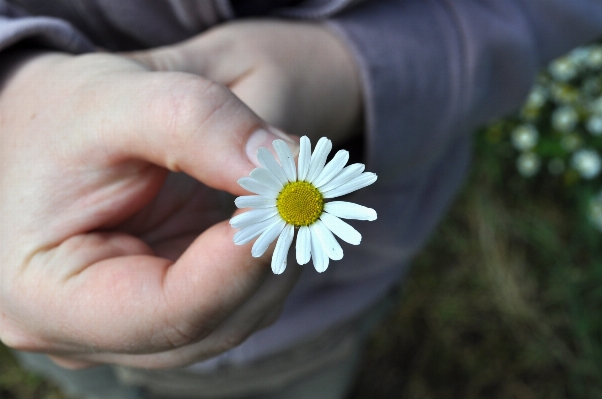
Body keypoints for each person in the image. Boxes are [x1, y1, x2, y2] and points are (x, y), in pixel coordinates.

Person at [1, 0, 601, 398]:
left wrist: (349, 69)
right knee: (92, 379)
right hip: (44, 292)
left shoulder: (302, 205)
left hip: (318, 319)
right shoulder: (292, 199)